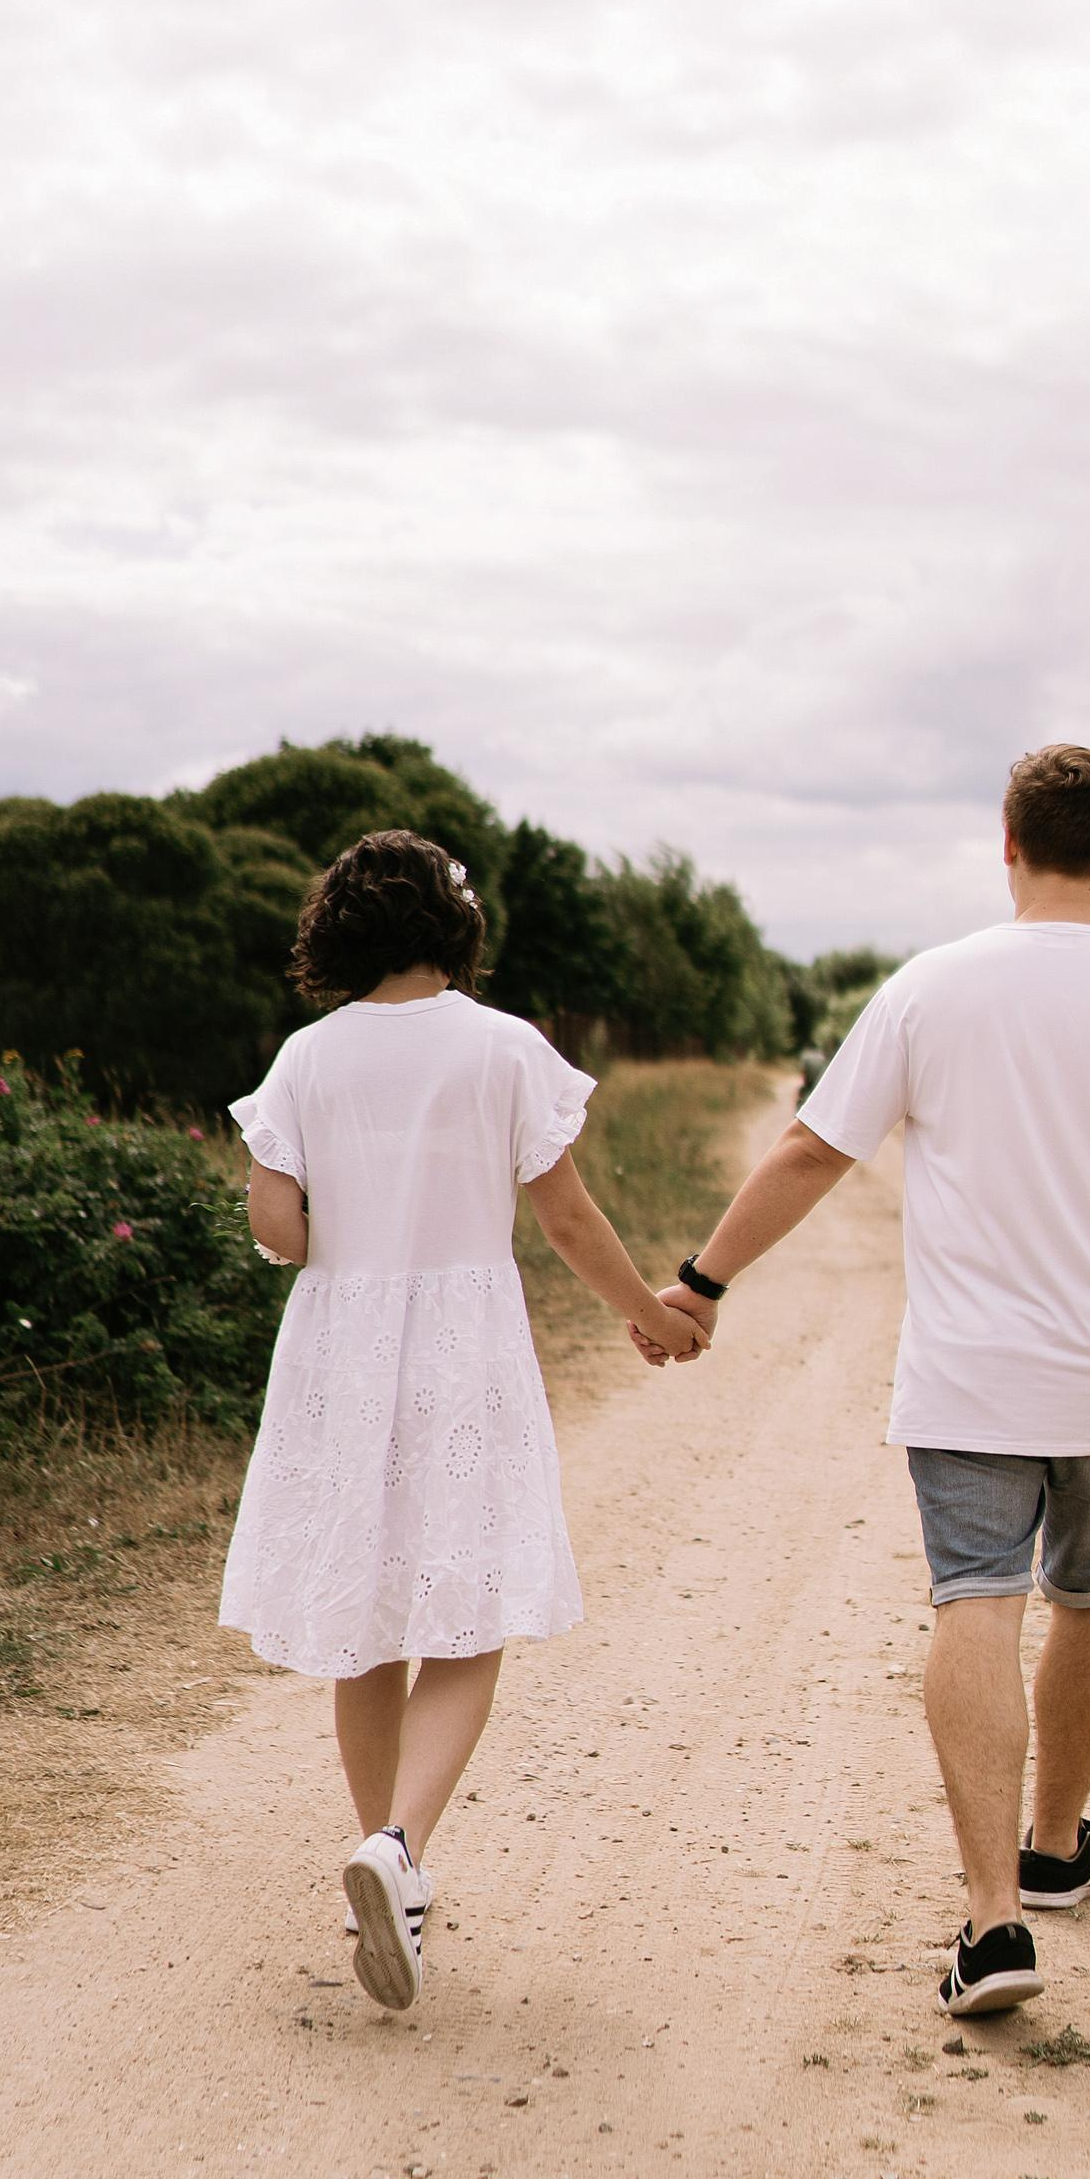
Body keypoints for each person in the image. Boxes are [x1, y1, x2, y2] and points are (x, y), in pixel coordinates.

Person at [634, 744, 1090, 2017]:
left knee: (974, 1602)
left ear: (1007, 838)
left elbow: (814, 1150)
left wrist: (701, 1281)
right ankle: (1053, 1849)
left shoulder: (930, 989)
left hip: (971, 1377)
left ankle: (992, 1923)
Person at [220, 829, 705, 2014]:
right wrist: (649, 1312)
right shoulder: (503, 1048)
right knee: (468, 1602)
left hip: (340, 1348)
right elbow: (567, 1215)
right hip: (459, 1345)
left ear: (341, 928)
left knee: (363, 1615)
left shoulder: (305, 1057)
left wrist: (334, 1199)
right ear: (454, 925)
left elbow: (278, 1228)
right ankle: (398, 1847)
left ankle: (378, 1865)